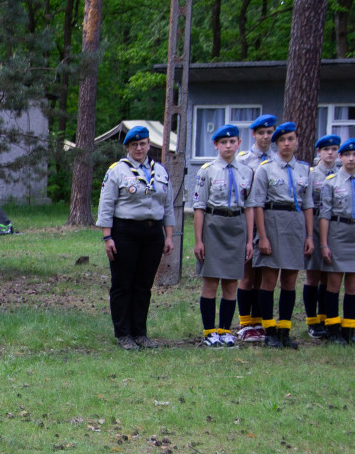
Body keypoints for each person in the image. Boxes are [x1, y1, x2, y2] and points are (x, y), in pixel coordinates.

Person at [96, 125, 176, 351]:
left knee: (143, 285)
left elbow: (167, 205)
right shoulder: (117, 171)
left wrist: (169, 236)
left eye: (142, 144)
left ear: (149, 145)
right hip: (125, 232)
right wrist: (107, 237)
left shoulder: (160, 171)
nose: (139, 148)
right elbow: (106, 205)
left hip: (152, 234)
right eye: (134, 145)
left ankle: (140, 332)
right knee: (123, 284)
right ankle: (123, 334)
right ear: (128, 147)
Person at [247, 121, 313, 349]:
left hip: (295, 225)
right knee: (269, 280)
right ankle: (270, 330)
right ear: (276, 144)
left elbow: (308, 205)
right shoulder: (265, 169)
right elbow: (257, 204)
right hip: (273, 223)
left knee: (290, 281)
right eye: (282, 140)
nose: (287, 143)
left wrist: (309, 236)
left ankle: (285, 330)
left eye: (291, 139)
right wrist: (262, 237)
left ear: (296, 141)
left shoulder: (304, 170)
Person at [192, 124, 254, 348]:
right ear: (216, 145)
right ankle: (210, 332)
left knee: (231, 283)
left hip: (236, 226)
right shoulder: (206, 171)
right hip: (214, 225)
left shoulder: (247, 172)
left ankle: (225, 330)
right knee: (210, 282)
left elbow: (249, 207)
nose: (228, 146)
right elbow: (199, 207)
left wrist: (249, 240)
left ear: (239, 144)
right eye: (224, 142)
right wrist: (199, 240)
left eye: (233, 142)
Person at [319, 138, 355, 344]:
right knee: (334, 283)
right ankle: (333, 329)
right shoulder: (331, 182)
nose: (351, 159)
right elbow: (324, 215)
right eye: (347, 155)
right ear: (340, 158)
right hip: (337, 232)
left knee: (353, 285)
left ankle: (349, 328)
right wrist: (324, 244)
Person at [235, 114, 277, 342]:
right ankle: (245, 323)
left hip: (270, 223)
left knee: (264, 275)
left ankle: (259, 321)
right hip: (248, 222)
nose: (266, 136)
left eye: (270, 132)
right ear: (253, 134)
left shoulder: (277, 159)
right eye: (261, 132)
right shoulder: (244, 161)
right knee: (247, 275)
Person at [303, 134, 341, 339]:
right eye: (326, 149)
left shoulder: (342, 173)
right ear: (319, 152)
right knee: (314, 274)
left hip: (335, 228)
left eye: (334, 149)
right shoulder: (312, 175)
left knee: (330, 274)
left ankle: (326, 317)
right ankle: (312, 321)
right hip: (316, 224)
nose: (330, 153)